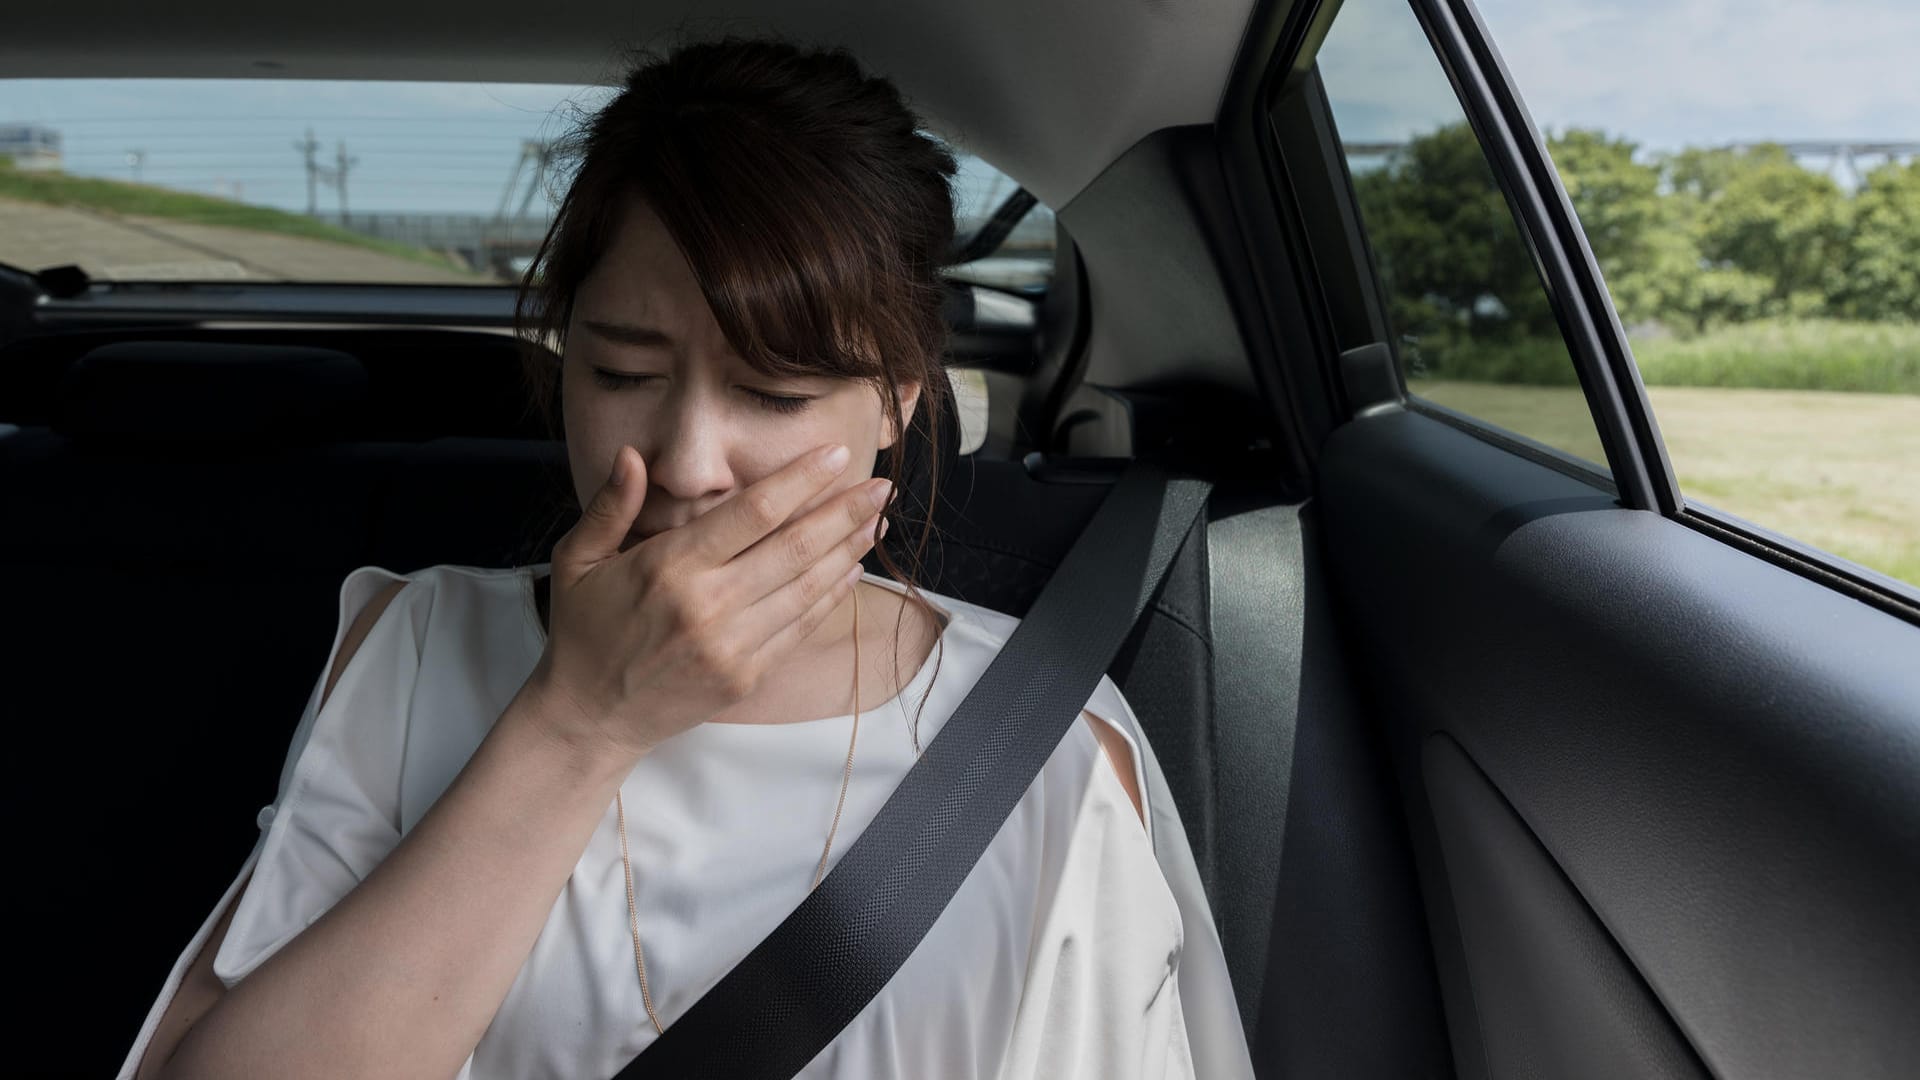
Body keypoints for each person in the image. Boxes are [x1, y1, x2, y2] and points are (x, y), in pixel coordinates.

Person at [119, 38, 1254, 1080]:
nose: (688, 461)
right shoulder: (414, 645)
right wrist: (578, 722)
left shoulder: (1044, 745)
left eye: (774, 391)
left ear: (901, 400)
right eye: (621, 374)